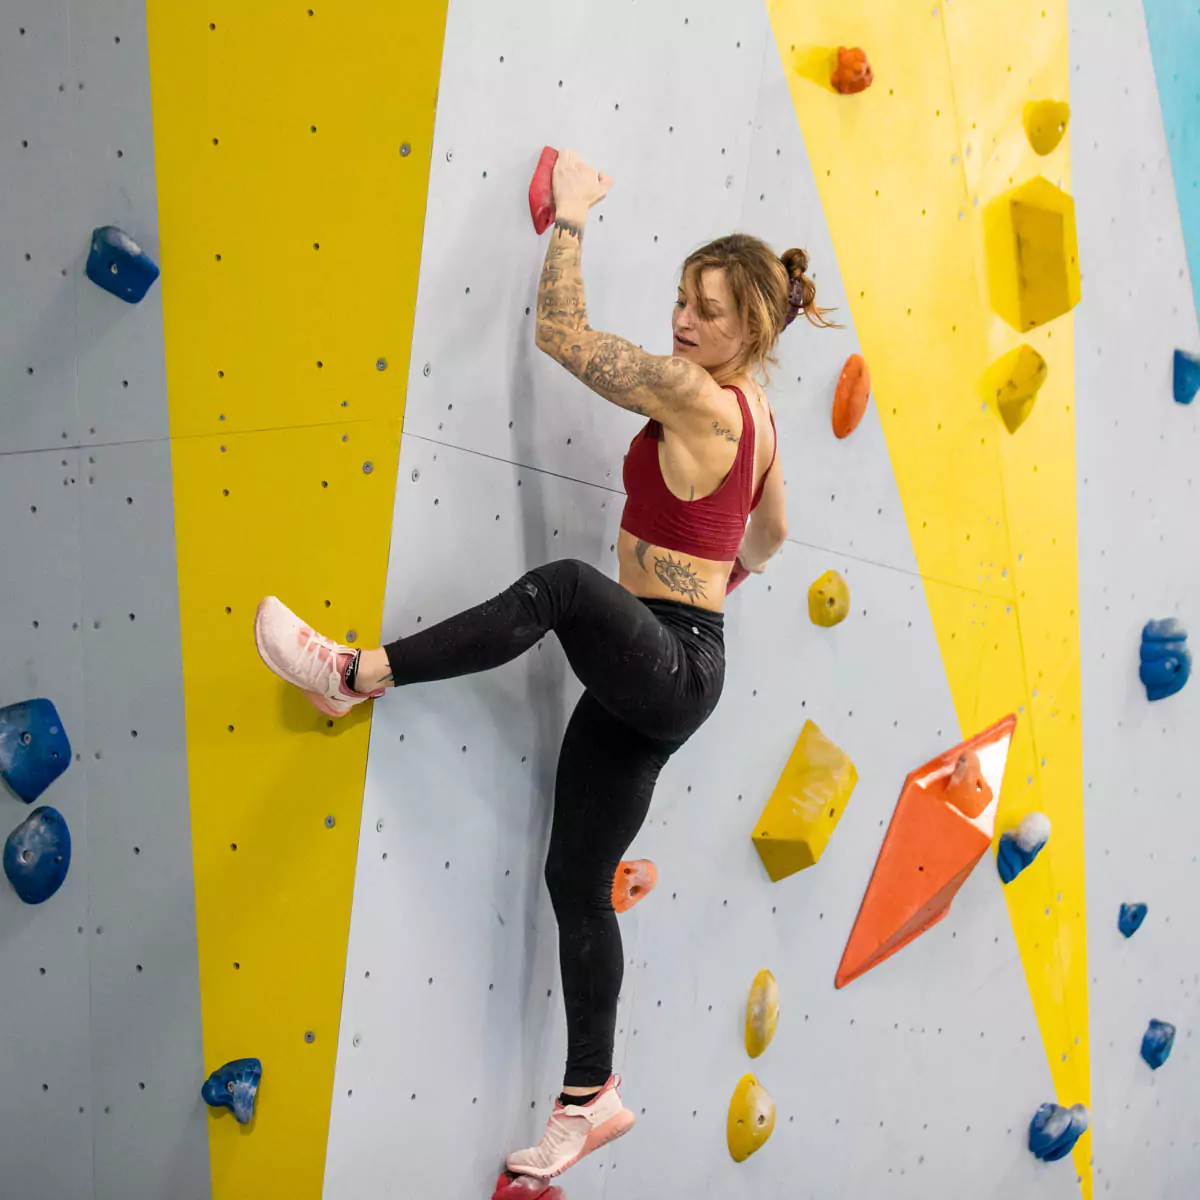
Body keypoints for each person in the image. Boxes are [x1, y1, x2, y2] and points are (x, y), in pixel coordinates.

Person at [253, 149, 834, 1183]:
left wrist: (569, 218)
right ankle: (588, 1097)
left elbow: (560, 335)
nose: (681, 322)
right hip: (675, 667)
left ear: (747, 328)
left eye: (704, 310)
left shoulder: (698, 397)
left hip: (668, 660)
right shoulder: (762, 425)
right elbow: (774, 535)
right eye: (680, 300)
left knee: (564, 588)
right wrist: (714, 586)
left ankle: (354, 674)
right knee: (576, 879)